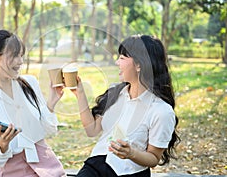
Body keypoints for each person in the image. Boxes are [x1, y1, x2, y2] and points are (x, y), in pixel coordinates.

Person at [72, 35, 180, 177]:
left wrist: (131, 153)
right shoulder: (116, 94)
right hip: (95, 166)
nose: (117, 62)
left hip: (128, 172)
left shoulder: (161, 111)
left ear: (139, 64)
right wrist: (80, 93)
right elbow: (91, 129)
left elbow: (154, 158)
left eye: (122, 58)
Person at [0, 30, 66, 177]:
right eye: (14, 55)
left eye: (21, 55)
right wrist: (3, 144)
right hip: (14, 171)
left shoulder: (30, 84)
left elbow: (49, 131)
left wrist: (51, 103)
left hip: (48, 166)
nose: (20, 61)